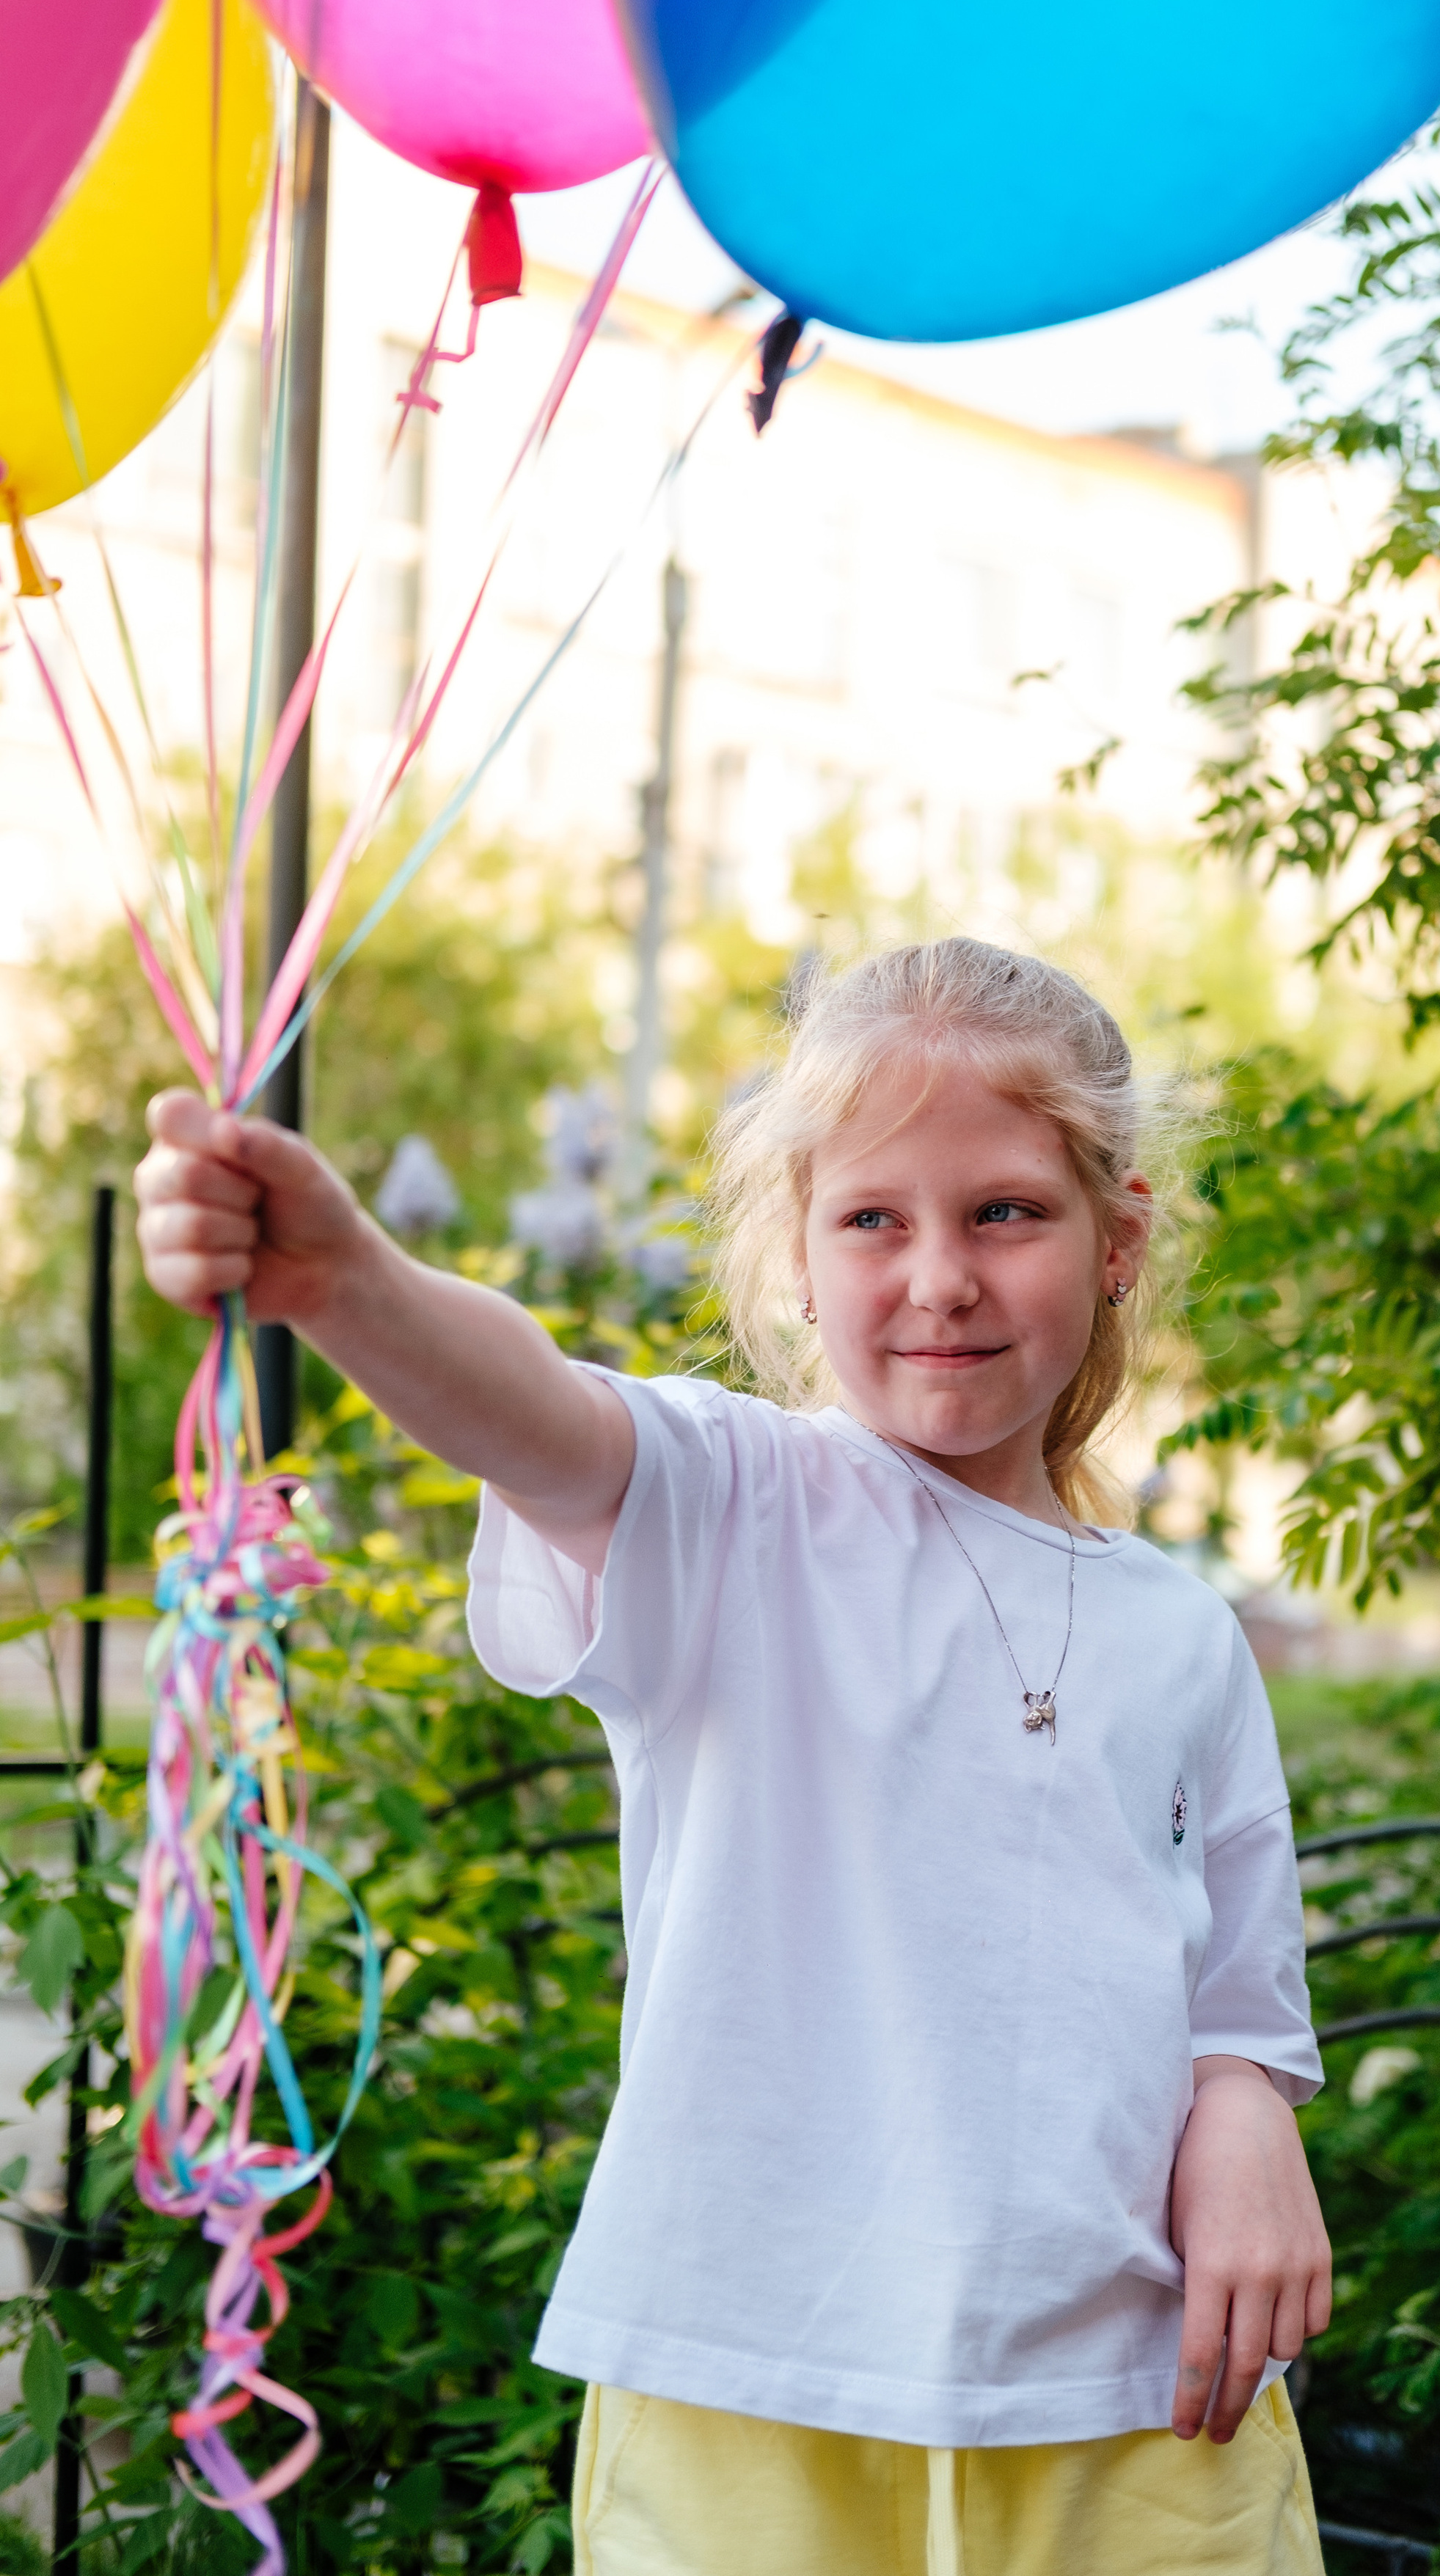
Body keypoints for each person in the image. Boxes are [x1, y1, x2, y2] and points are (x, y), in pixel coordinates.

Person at [136, 937, 1331, 2576]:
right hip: (755, 2388)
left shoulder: (1183, 1633)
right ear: (797, 1251)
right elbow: (535, 1411)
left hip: (1137, 2415)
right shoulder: (737, 1504)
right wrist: (343, 1280)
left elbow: (1236, 1996)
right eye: (871, 1220)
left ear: (1115, 1240)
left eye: (1004, 1210)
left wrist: (1246, 2104)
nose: (939, 1277)